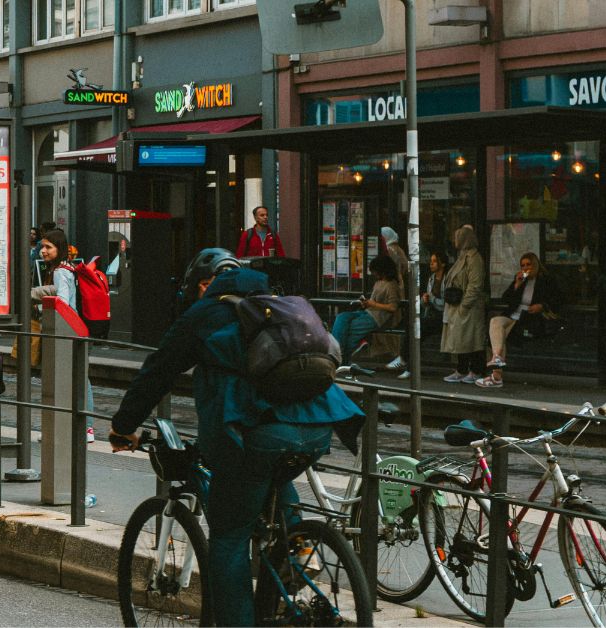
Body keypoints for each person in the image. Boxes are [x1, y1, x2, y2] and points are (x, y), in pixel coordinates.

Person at [109, 248, 363, 628]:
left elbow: (157, 373)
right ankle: (291, 553)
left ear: (206, 283)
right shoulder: (278, 306)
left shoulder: (203, 314)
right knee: (270, 478)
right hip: (317, 428)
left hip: (256, 435)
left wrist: (124, 425)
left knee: (229, 536)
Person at [31, 229, 95, 442]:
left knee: (69, 380)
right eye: (42, 247)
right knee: (78, 379)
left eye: (49, 247)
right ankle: (82, 428)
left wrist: (42, 307)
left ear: (59, 248)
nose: (43, 251)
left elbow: (63, 303)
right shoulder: (68, 268)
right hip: (75, 330)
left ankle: (81, 428)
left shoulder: (60, 271)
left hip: (66, 331)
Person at [476, 252, 561, 389]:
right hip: (513, 316)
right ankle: (497, 358)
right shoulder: (521, 280)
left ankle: (496, 376)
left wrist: (542, 306)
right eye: (523, 265)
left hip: (529, 319)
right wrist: (516, 284)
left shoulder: (546, 280)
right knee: (495, 322)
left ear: (535, 264)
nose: (526, 268)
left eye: (529, 264)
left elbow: (558, 300)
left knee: (499, 335)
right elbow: (506, 299)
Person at [329, 254, 402, 365]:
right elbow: (373, 301)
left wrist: (373, 304)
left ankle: (338, 357)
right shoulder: (378, 282)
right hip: (367, 312)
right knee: (341, 317)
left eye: (375, 271)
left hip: (378, 318)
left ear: (382, 270)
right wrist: (366, 303)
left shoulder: (392, 285)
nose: (374, 274)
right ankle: (335, 351)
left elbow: (393, 307)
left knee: (352, 329)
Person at [441, 225, 486, 384]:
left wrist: (464, 305)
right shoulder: (462, 256)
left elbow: (475, 285)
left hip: (468, 307)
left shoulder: (474, 259)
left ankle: (475, 370)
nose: (455, 240)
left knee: (472, 340)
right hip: (460, 306)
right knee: (462, 340)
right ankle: (462, 369)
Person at [381, 226, 410, 372]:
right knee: (397, 319)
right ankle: (398, 354)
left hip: (391, 287)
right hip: (400, 286)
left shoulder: (389, 250)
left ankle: (396, 354)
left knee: (391, 321)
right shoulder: (399, 249)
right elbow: (405, 267)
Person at [419, 252, 448, 338]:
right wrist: (424, 300)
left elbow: (446, 304)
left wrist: (432, 299)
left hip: (443, 316)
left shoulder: (447, 279)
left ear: (442, 264)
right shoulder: (431, 278)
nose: (431, 263)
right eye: (430, 261)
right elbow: (426, 304)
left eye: (434, 261)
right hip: (431, 314)